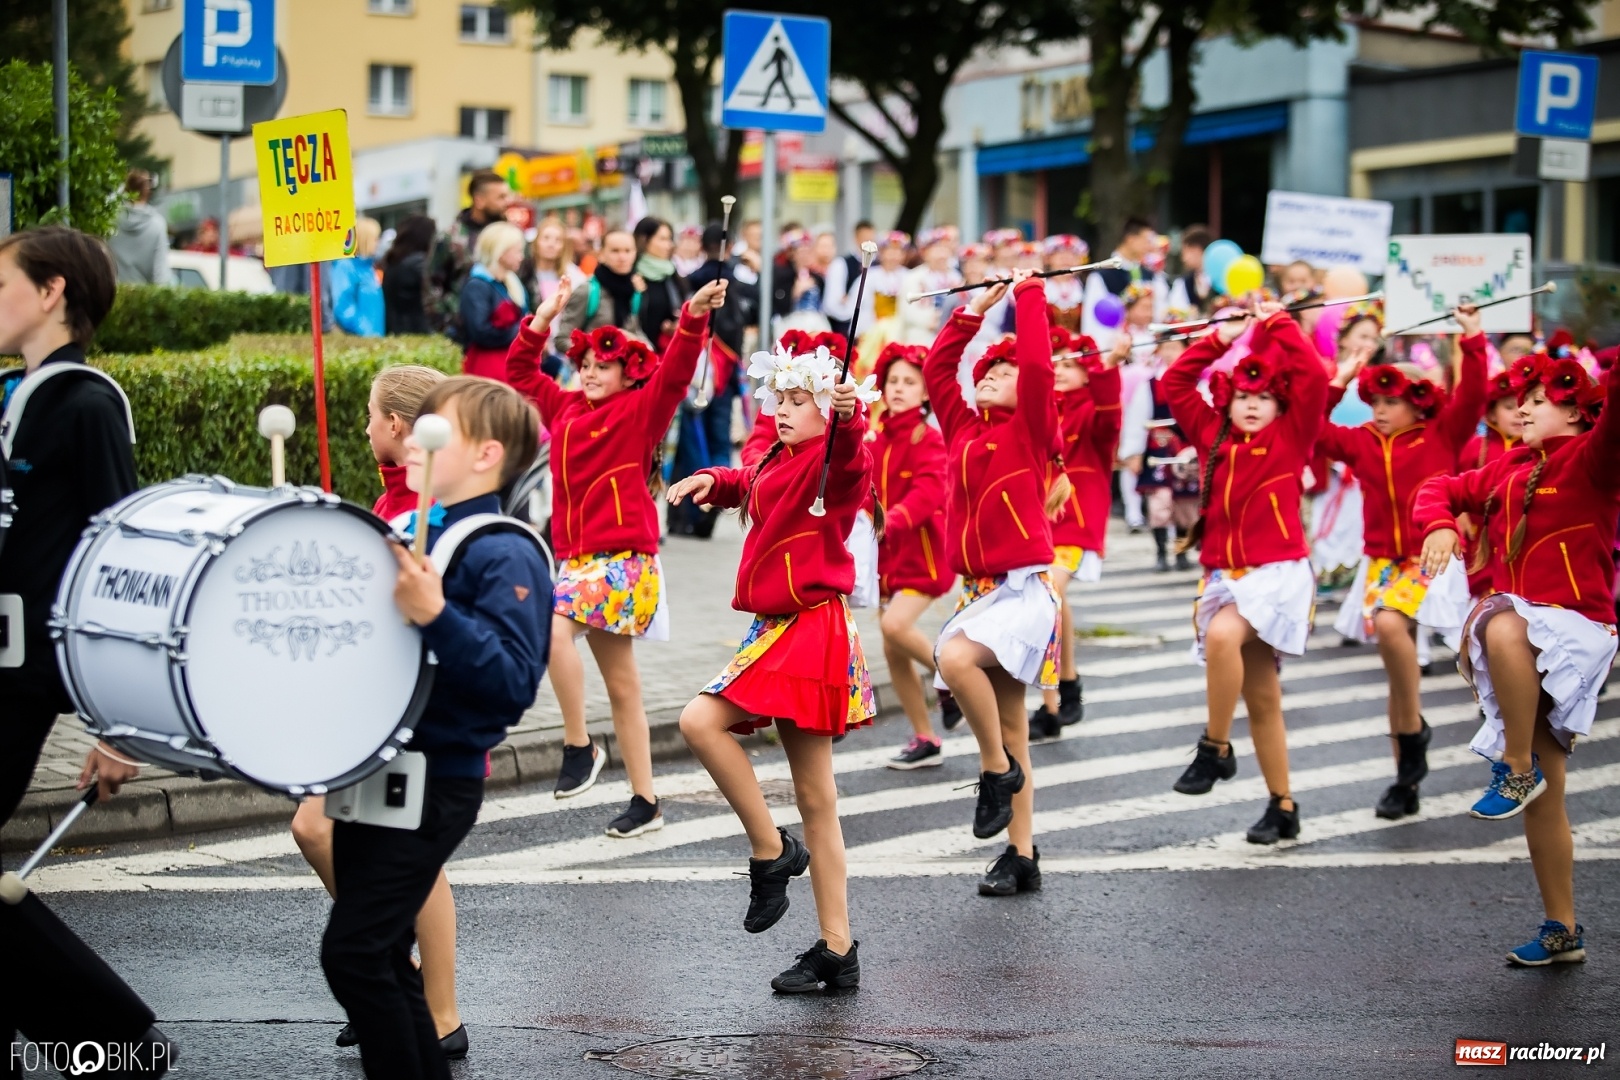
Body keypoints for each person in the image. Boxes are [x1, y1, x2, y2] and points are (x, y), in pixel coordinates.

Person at [322, 377, 549, 1080]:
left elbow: (512, 683)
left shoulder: (505, 550)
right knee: (381, 953)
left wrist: (436, 614)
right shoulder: (423, 531)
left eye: (436, 430)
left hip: (435, 780)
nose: (416, 440)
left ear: (486, 455)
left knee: (354, 953)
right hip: (379, 772)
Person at [668, 347, 877, 993]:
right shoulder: (779, 458)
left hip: (811, 627)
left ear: (827, 410)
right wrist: (714, 480)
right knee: (815, 798)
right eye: (778, 399)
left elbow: (853, 462)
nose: (782, 410)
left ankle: (771, 851)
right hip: (776, 627)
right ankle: (837, 950)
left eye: (798, 401)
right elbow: (753, 483)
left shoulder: (832, 461)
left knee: (700, 721)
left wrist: (850, 419)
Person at [289, 364, 469, 1058]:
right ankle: (399, 976)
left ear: (396, 424)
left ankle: (439, 1011)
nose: (365, 428)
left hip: (409, 708)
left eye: (370, 415)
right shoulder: (392, 499)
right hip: (371, 704)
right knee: (330, 833)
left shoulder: (427, 507)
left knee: (388, 845)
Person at [1415, 352, 1616, 965]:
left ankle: (1514, 764)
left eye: (1537, 401)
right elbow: (1439, 487)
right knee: (1547, 797)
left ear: (1577, 412)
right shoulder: (1508, 466)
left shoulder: (1595, 457)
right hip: (1528, 644)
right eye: (1519, 400)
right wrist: (1440, 523)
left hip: (1575, 628)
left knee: (1499, 622)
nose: (1521, 409)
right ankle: (1563, 929)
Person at [506, 274, 725, 831]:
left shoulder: (641, 409)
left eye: (602, 366)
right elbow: (519, 372)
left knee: (552, 629)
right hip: (580, 564)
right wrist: (543, 318)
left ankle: (579, 747)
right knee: (623, 687)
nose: (589, 372)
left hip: (627, 561)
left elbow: (677, 371)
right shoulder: (563, 407)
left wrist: (694, 315)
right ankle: (646, 802)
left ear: (628, 372)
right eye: (585, 364)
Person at [1162, 301, 1330, 843]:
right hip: (1225, 575)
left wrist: (1278, 322)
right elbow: (1174, 380)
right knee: (1262, 698)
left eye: (1263, 397)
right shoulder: (1211, 434)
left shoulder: (1293, 434)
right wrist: (1219, 338)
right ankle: (1283, 806)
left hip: (1277, 574)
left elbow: (1312, 377)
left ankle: (1214, 747)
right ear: (1227, 399)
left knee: (1221, 635)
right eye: (1242, 396)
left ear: (1279, 403)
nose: (1252, 405)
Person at [922, 270, 1062, 896]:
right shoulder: (962, 428)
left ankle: (993, 771)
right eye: (987, 371)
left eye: (1004, 372)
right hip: (979, 592)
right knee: (1011, 726)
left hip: (1023, 589)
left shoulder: (1029, 427)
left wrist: (1028, 295)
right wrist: (972, 311)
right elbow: (938, 369)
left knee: (954, 658)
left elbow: (1038, 367)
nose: (991, 375)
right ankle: (1021, 855)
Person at [1319, 305, 1488, 820]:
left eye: (1392, 401)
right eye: (1375, 400)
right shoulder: (1361, 442)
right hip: (1382, 563)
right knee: (1396, 674)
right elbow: (1311, 431)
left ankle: (1413, 734)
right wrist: (1337, 383)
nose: (1380, 409)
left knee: (1391, 625)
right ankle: (1405, 780)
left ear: (1419, 403)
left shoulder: (1443, 433)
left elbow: (1473, 394)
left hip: (1430, 554)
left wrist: (1473, 339)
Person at [0, 227, 140, 821]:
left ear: (50, 291)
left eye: (1, 283)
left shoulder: (88, 404)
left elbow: (122, 558)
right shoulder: (16, 394)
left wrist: (119, 726)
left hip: (24, 670)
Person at [1030, 329, 1123, 740]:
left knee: (1049, 594)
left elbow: (1110, 419)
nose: (1062, 371)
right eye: (1057, 364)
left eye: (1071, 364)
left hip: (1076, 526)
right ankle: (1059, 696)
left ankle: (1061, 691)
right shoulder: (1045, 409)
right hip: (1039, 524)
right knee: (1049, 601)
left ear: (1089, 372)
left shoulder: (1093, 411)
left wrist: (1109, 369)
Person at [866, 343, 954, 769]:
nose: (898, 388)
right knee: (891, 648)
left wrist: (889, 520)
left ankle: (953, 675)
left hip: (924, 557)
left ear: (925, 391)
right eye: (893, 381)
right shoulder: (875, 438)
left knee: (895, 625)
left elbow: (928, 493)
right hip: (886, 562)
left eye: (909, 382)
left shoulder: (930, 439)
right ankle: (925, 738)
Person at [672, 224, 754, 539]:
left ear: (702, 245)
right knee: (719, 440)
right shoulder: (739, 280)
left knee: (695, 442)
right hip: (726, 374)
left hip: (697, 374)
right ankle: (717, 495)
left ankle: (696, 506)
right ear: (730, 245)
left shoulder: (690, 280)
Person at [428, 169, 514, 331]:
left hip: (509, 331)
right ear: (479, 200)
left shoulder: (510, 235)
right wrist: (448, 325)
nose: (507, 201)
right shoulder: (451, 238)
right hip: (465, 332)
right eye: (501, 197)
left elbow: (527, 278)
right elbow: (432, 285)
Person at [457, 222, 527, 380]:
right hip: (487, 368)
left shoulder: (509, 283)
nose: (521, 257)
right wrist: (518, 331)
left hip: (508, 364)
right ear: (501, 252)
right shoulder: (477, 286)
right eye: (517, 251)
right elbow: (480, 332)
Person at [1081, 217, 1164, 344]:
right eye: (1146, 240)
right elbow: (1092, 321)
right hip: (1113, 344)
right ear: (1131, 239)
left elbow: (1160, 311)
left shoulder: (1151, 275)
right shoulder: (1101, 277)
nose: (1149, 246)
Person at [555, 229, 645, 342]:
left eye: (628, 251)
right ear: (601, 253)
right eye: (615, 251)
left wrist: (646, 347)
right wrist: (589, 350)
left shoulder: (634, 290)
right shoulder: (587, 291)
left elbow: (635, 331)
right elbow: (562, 339)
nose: (622, 257)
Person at [632, 216, 690, 349]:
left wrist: (675, 324)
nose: (669, 245)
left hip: (667, 350)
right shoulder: (632, 274)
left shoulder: (672, 274)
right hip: (640, 350)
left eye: (670, 239)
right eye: (663, 239)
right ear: (645, 240)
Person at [107, 170, 170, 286]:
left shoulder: (111, 220)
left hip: (112, 290)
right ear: (148, 191)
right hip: (142, 293)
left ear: (126, 189)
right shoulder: (157, 225)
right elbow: (161, 275)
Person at [328, 217, 386, 337]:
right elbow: (342, 306)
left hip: (375, 338)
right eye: (376, 239)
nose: (378, 243)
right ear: (365, 239)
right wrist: (365, 331)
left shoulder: (369, 268)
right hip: (362, 339)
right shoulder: (345, 266)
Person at [383, 215, 438, 335]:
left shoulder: (393, 261)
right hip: (418, 331)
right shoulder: (418, 263)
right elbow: (433, 300)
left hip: (395, 330)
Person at [822, 220, 875, 338]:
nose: (869, 243)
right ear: (856, 238)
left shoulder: (878, 265)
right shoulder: (842, 264)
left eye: (871, 239)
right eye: (865, 239)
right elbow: (832, 303)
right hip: (847, 326)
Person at [1043, 236, 1087, 335]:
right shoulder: (1042, 288)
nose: (1066, 260)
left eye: (1072, 255)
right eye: (1060, 255)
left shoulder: (1086, 289)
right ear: (1049, 259)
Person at [1167, 226, 1211, 313]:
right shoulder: (1184, 282)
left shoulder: (1219, 278)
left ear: (1196, 249)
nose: (1183, 259)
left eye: (1185, 252)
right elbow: (1175, 310)